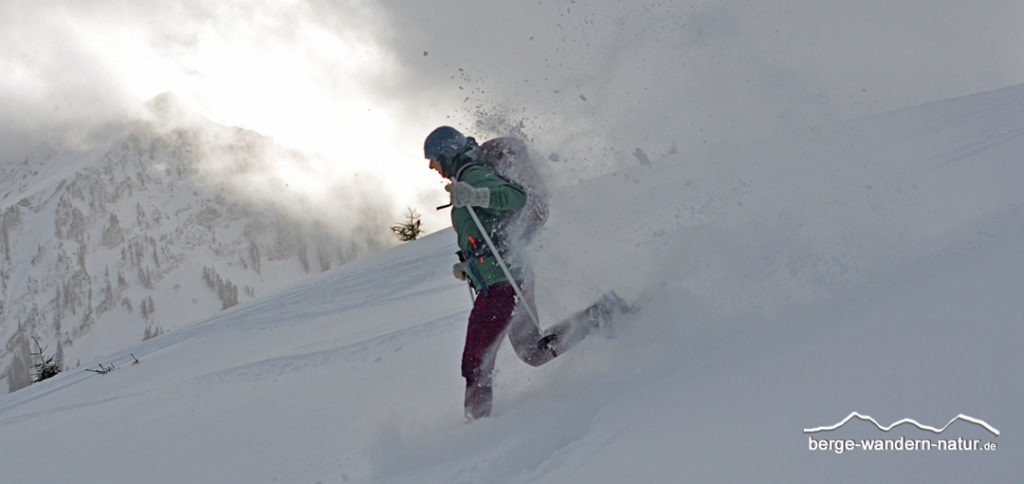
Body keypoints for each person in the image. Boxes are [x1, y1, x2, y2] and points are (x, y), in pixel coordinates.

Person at [424, 126, 626, 420]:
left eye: (433, 158)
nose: (432, 166)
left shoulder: (472, 175)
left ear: (447, 153)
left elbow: (515, 198)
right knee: (533, 351)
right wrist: (469, 265)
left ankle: (477, 428)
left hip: (502, 284)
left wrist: (476, 194)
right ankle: (602, 313)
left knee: (476, 360)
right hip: (509, 277)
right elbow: (492, 232)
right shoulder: (467, 178)